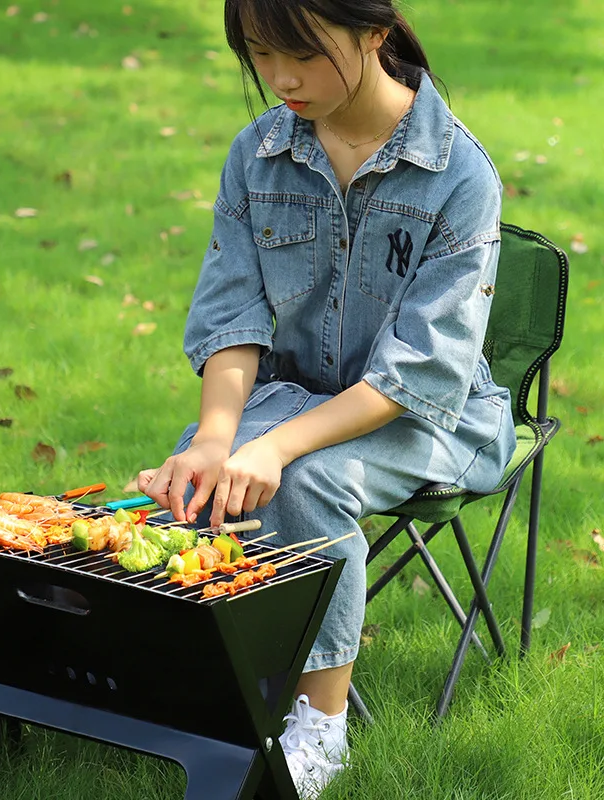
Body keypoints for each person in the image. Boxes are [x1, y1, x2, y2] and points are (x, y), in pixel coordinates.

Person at [138, 0, 516, 796]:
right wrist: (215, 435)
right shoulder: (258, 153)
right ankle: (219, 688)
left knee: (304, 480)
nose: (280, 79)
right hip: (302, 388)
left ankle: (321, 727)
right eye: (260, 53)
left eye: (302, 55)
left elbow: (418, 372)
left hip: (430, 415)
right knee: (201, 474)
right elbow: (232, 313)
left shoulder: (460, 175)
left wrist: (275, 444)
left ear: (374, 32)